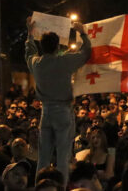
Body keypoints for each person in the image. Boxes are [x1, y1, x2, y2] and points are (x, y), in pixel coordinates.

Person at [25, 17, 91, 187]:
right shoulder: (64, 61)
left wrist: (30, 34)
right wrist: (82, 33)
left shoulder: (36, 63)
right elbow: (85, 53)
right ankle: (61, 188)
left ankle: (40, 187)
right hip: (62, 111)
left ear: (42, 46)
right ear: (57, 46)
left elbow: (29, 52)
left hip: (45, 112)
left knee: (44, 156)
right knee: (63, 156)